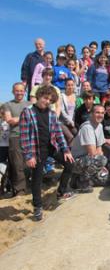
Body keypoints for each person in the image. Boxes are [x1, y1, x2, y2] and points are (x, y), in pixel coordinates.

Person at [19, 85, 75, 221]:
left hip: (52, 147)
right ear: (39, 96)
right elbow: (24, 136)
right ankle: (37, 207)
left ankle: (61, 192)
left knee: (70, 164)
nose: (47, 101)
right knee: (37, 180)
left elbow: (58, 133)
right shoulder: (28, 112)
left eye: (50, 100)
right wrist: (29, 155)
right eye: (45, 98)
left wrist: (66, 150)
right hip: (36, 150)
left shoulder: (51, 113)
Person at [70, 104, 108, 193]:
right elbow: (92, 153)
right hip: (76, 161)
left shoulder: (99, 126)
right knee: (101, 160)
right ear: (91, 114)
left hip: (87, 159)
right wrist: (101, 164)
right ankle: (79, 181)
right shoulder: (87, 127)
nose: (100, 115)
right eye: (97, 112)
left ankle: (84, 177)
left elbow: (99, 148)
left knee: (105, 178)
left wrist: (102, 167)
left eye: (102, 113)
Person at [3, 83, 31, 196]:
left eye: (21, 90)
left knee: (28, 164)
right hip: (15, 136)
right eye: (17, 91)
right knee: (17, 165)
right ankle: (20, 191)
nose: (19, 93)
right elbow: (9, 120)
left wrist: (18, 119)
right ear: (13, 91)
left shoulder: (29, 104)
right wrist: (25, 117)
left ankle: (26, 187)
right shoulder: (8, 104)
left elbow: (34, 118)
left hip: (29, 136)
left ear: (24, 91)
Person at [60, 79, 77, 144]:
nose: (70, 87)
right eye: (68, 85)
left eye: (72, 85)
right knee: (70, 137)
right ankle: (69, 152)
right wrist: (70, 121)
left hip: (72, 123)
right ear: (65, 86)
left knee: (77, 134)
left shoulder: (76, 96)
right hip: (63, 122)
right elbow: (62, 111)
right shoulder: (62, 96)